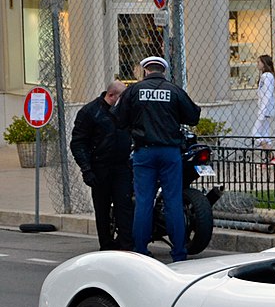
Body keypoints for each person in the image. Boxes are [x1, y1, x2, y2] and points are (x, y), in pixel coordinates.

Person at [113, 56, 201, 262]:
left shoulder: (134, 91)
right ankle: (179, 253)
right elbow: (193, 116)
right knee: (173, 202)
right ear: (164, 71)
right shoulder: (174, 90)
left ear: (145, 70)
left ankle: (141, 251)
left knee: (144, 201)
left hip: (144, 152)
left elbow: (118, 117)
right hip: (170, 152)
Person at [70, 80, 134, 250]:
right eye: (123, 97)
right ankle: (106, 245)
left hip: (122, 166)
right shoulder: (90, 112)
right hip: (100, 167)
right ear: (111, 95)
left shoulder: (125, 112)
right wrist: (86, 169)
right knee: (102, 208)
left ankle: (126, 245)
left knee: (124, 205)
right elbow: (78, 142)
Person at [252, 54, 275, 164]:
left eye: (259, 62)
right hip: (265, 109)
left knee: (256, 133)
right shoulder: (267, 76)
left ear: (264, 63)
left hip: (264, 109)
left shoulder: (267, 76)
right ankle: (270, 157)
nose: (257, 64)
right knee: (265, 134)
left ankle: (272, 155)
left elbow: (267, 94)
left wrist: (262, 111)